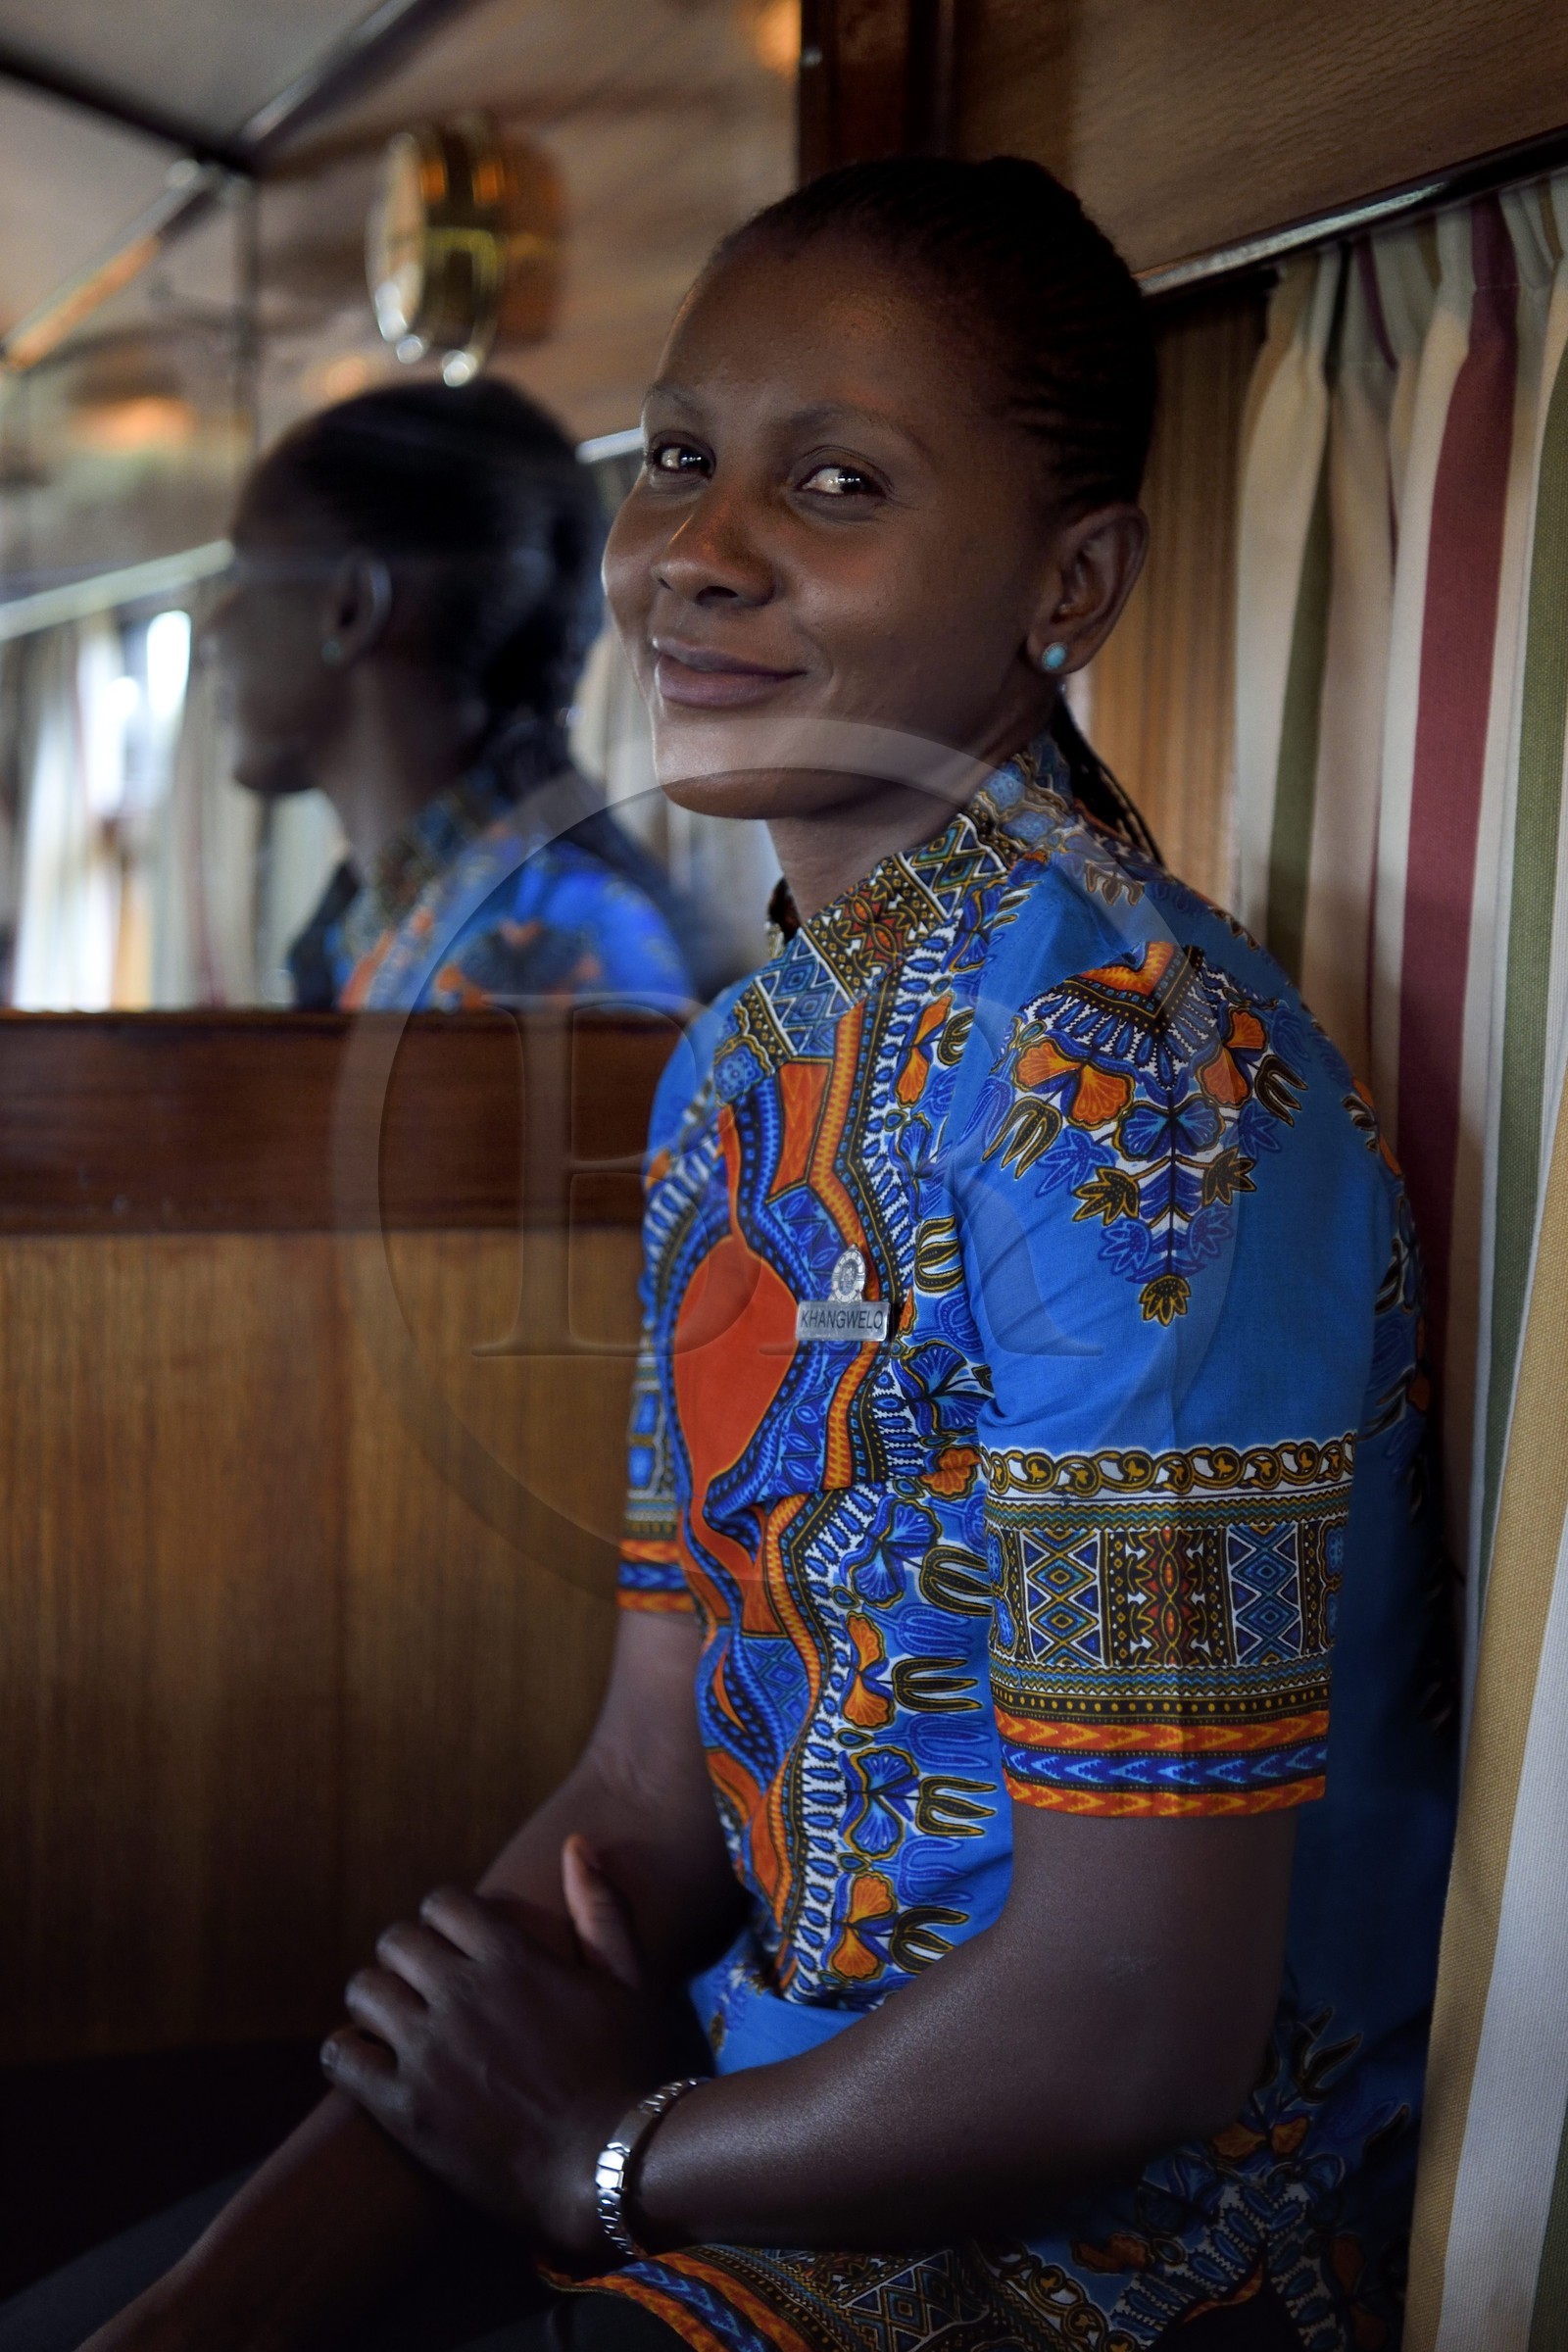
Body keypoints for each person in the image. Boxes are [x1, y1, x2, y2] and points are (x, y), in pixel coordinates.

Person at [18, 155, 1455, 2352]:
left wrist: (607, 2159)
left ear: (1068, 582)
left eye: (839, 483)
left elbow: (1134, 2016)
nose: (696, 549)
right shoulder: (742, 1064)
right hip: (730, 2106)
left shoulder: (1128, 1085)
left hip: (1112, 2251)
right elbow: (642, 1780)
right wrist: (250, 2274)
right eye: (680, 457)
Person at [209, 379, 696, 1012]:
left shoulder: (545, 946)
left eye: (242, 573)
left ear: (350, 608)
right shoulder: (374, 930)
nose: (211, 630)